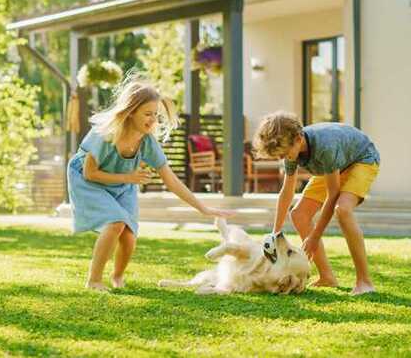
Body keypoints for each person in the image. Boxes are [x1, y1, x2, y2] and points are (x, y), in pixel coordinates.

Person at [67, 74, 236, 291]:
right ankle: (94, 280)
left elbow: (172, 181)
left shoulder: (147, 142)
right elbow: (90, 173)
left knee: (129, 236)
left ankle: (117, 277)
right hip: (87, 180)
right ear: (130, 112)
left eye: (155, 115)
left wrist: (203, 208)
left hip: (121, 183)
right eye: (147, 114)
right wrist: (128, 178)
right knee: (115, 223)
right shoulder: (106, 134)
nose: (152, 120)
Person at [252, 111, 380, 295]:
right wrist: (275, 233)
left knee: (342, 209)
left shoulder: (325, 146)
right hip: (334, 167)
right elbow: (287, 190)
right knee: (299, 214)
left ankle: (364, 282)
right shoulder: (291, 151)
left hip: (362, 160)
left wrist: (315, 236)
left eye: (285, 154)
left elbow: (333, 195)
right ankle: (327, 277)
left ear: (298, 139)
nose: (285, 158)